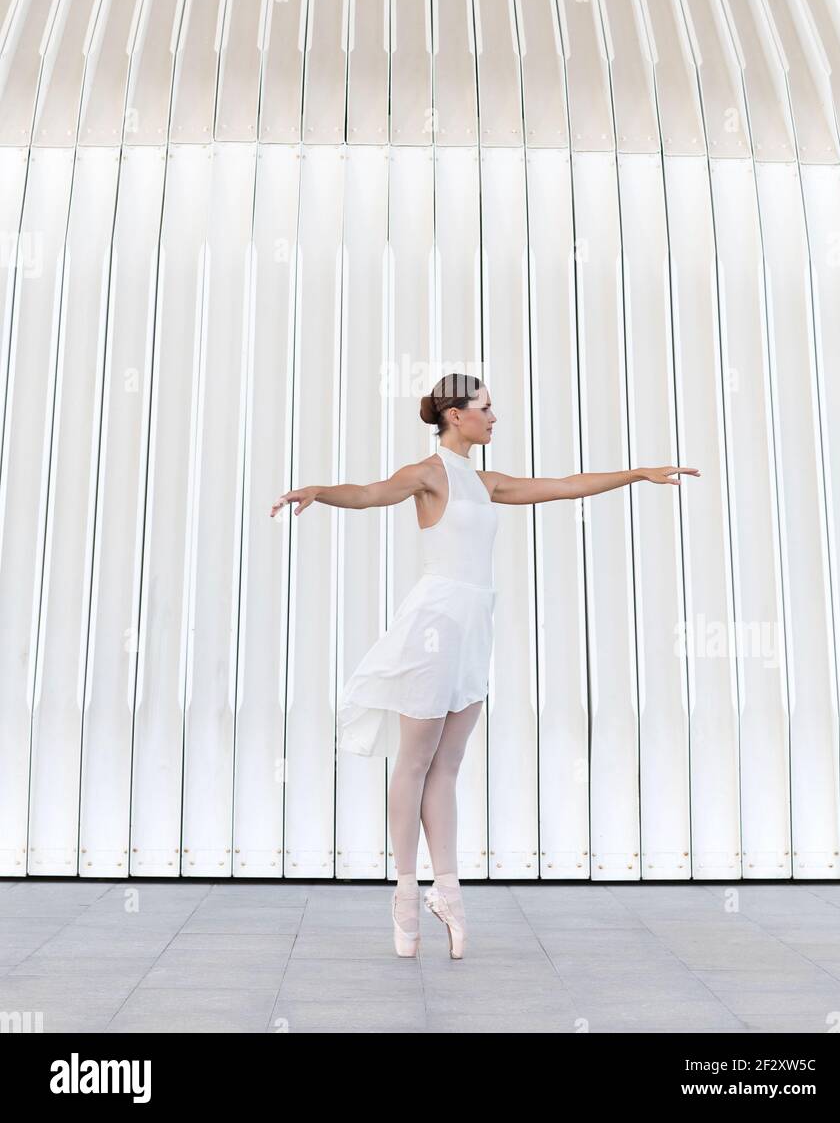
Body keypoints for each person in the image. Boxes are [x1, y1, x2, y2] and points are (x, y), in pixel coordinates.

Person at [271, 374, 700, 959]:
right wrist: (318, 490)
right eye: (486, 408)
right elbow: (370, 493)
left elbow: (564, 486)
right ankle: (404, 888)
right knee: (415, 760)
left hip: (474, 623)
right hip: (435, 622)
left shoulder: (485, 481)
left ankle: (447, 892)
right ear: (454, 415)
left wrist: (637, 474)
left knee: (447, 765)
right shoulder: (428, 475)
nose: (495, 417)